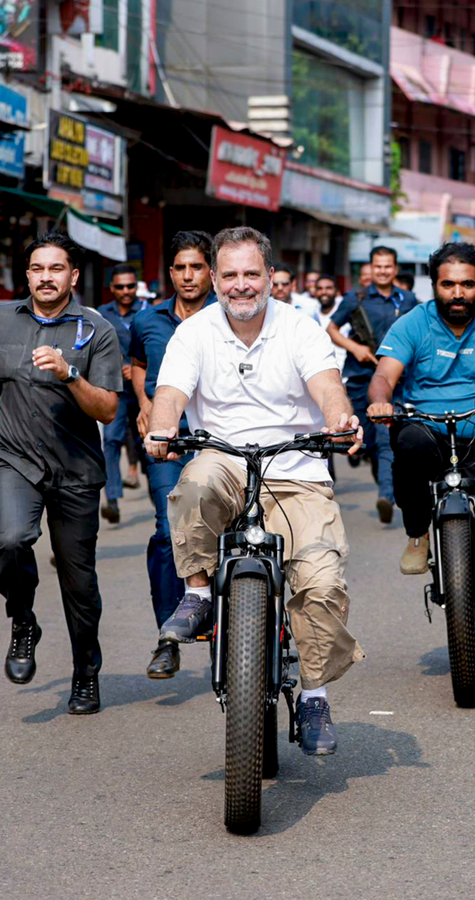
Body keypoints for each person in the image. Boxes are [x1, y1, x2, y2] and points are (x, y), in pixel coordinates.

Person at [145, 226, 364, 756]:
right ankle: (198, 594)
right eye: (230, 275)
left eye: (251, 274)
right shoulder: (193, 333)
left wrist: (340, 420)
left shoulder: (300, 328)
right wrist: (163, 428)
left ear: (269, 276)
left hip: (297, 471)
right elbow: (170, 393)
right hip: (224, 461)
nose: (240, 285)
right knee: (193, 481)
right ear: (214, 278)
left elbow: (328, 387)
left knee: (321, 583)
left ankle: (314, 695)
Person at [367, 242, 475, 640]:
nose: (457, 293)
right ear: (434, 286)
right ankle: (417, 532)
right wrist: (380, 402)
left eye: (467, 285)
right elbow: (384, 375)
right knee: (406, 442)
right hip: (426, 428)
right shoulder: (413, 323)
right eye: (448, 285)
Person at [0, 232, 122, 714]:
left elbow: (107, 409)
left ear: (73, 276)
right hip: (14, 460)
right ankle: (23, 621)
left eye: (56, 269)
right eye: (37, 268)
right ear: (27, 274)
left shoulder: (98, 330)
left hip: (75, 471)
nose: (45, 277)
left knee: (79, 583)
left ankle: (85, 673)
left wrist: (70, 375)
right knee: (10, 540)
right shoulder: (3, 319)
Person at [130, 231, 217, 679]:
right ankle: (168, 638)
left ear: (211, 272)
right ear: (170, 273)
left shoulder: (228, 317)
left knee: (227, 535)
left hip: (221, 444)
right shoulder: (147, 320)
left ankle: (233, 629)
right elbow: (139, 365)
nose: (188, 275)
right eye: (180, 267)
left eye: (196, 267)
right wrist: (145, 405)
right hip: (168, 445)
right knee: (168, 532)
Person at [327, 246, 417, 524]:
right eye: (378, 266)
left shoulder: (408, 299)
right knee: (370, 442)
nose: (383, 271)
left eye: (388, 266)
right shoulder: (356, 298)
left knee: (386, 439)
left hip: (395, 381)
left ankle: (386, 495)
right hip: (361, 377)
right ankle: (382, 477)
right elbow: (332, 329)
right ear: (371, 268)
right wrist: (355, 348)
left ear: (395, 268)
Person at [98, 264, 147, 523]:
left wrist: (140, 368)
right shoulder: (103, 314)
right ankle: (113, 500)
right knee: (111, 441)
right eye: (120, 286)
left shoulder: (149, 311)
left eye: (130, 286)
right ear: (112, 288)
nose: (126, 291)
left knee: (146, 442)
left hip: (143, 392)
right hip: (114, 390)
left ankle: (159, 497)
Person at [315, 273, 348, 370]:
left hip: (344, 371)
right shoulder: (311, 312)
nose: (324, 292)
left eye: (328, 288)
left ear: (337, 291)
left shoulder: (345, 310)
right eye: (319, 288)